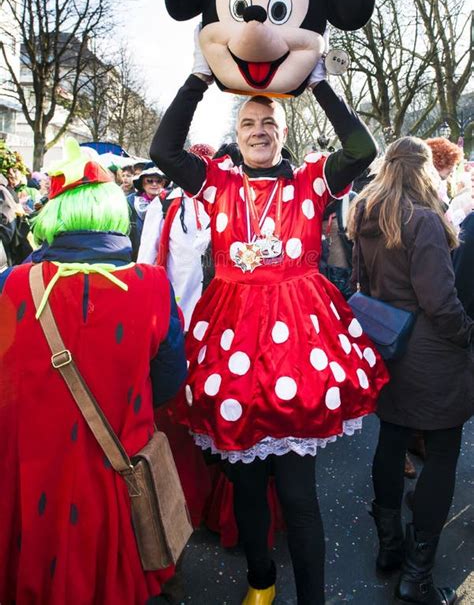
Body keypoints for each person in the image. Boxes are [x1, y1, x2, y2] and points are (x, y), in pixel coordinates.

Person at [149, 43, 389, 604]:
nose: (259, 130)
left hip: (296, 352)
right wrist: (197, 79)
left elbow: (362, 147)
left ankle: (311, 597)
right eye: (249, 122)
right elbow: (164, 148)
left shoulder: (309, 181)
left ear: (284, 129)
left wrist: (320, 84)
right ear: (238, 129)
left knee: (300, 494)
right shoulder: (216, 182)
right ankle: (261, 580)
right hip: (232, 347)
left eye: (270, 122)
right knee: (248, 484)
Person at [0, 138, 187, 605]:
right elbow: (169, 380)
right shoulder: (152, 288)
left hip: (28, 477)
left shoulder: (12, 285)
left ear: (54, 213)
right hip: (116, 474)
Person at [347, 137, 473, 605]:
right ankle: (416, 577)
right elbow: (440, 302)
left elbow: (358, 282)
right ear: (423, 171)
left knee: (391, 440)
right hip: (432, 353)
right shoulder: (422, 221)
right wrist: (465, 333)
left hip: (385, 343)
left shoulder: (365, 215)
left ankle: (390, 548)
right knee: (441, 453)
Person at [138, 144, 214, 331]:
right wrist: (141, 298)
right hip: (177, 303)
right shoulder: (165, 202)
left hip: (215, 307)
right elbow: (147, 254)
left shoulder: (223, 199)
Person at [127, 163, 169, 260]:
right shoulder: (130, 202)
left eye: (158, 181)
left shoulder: (169, 202)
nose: (154, 184)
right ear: (142, 183)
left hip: (161, 257)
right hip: (135, 256)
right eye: (150, 181)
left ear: (163, 183)